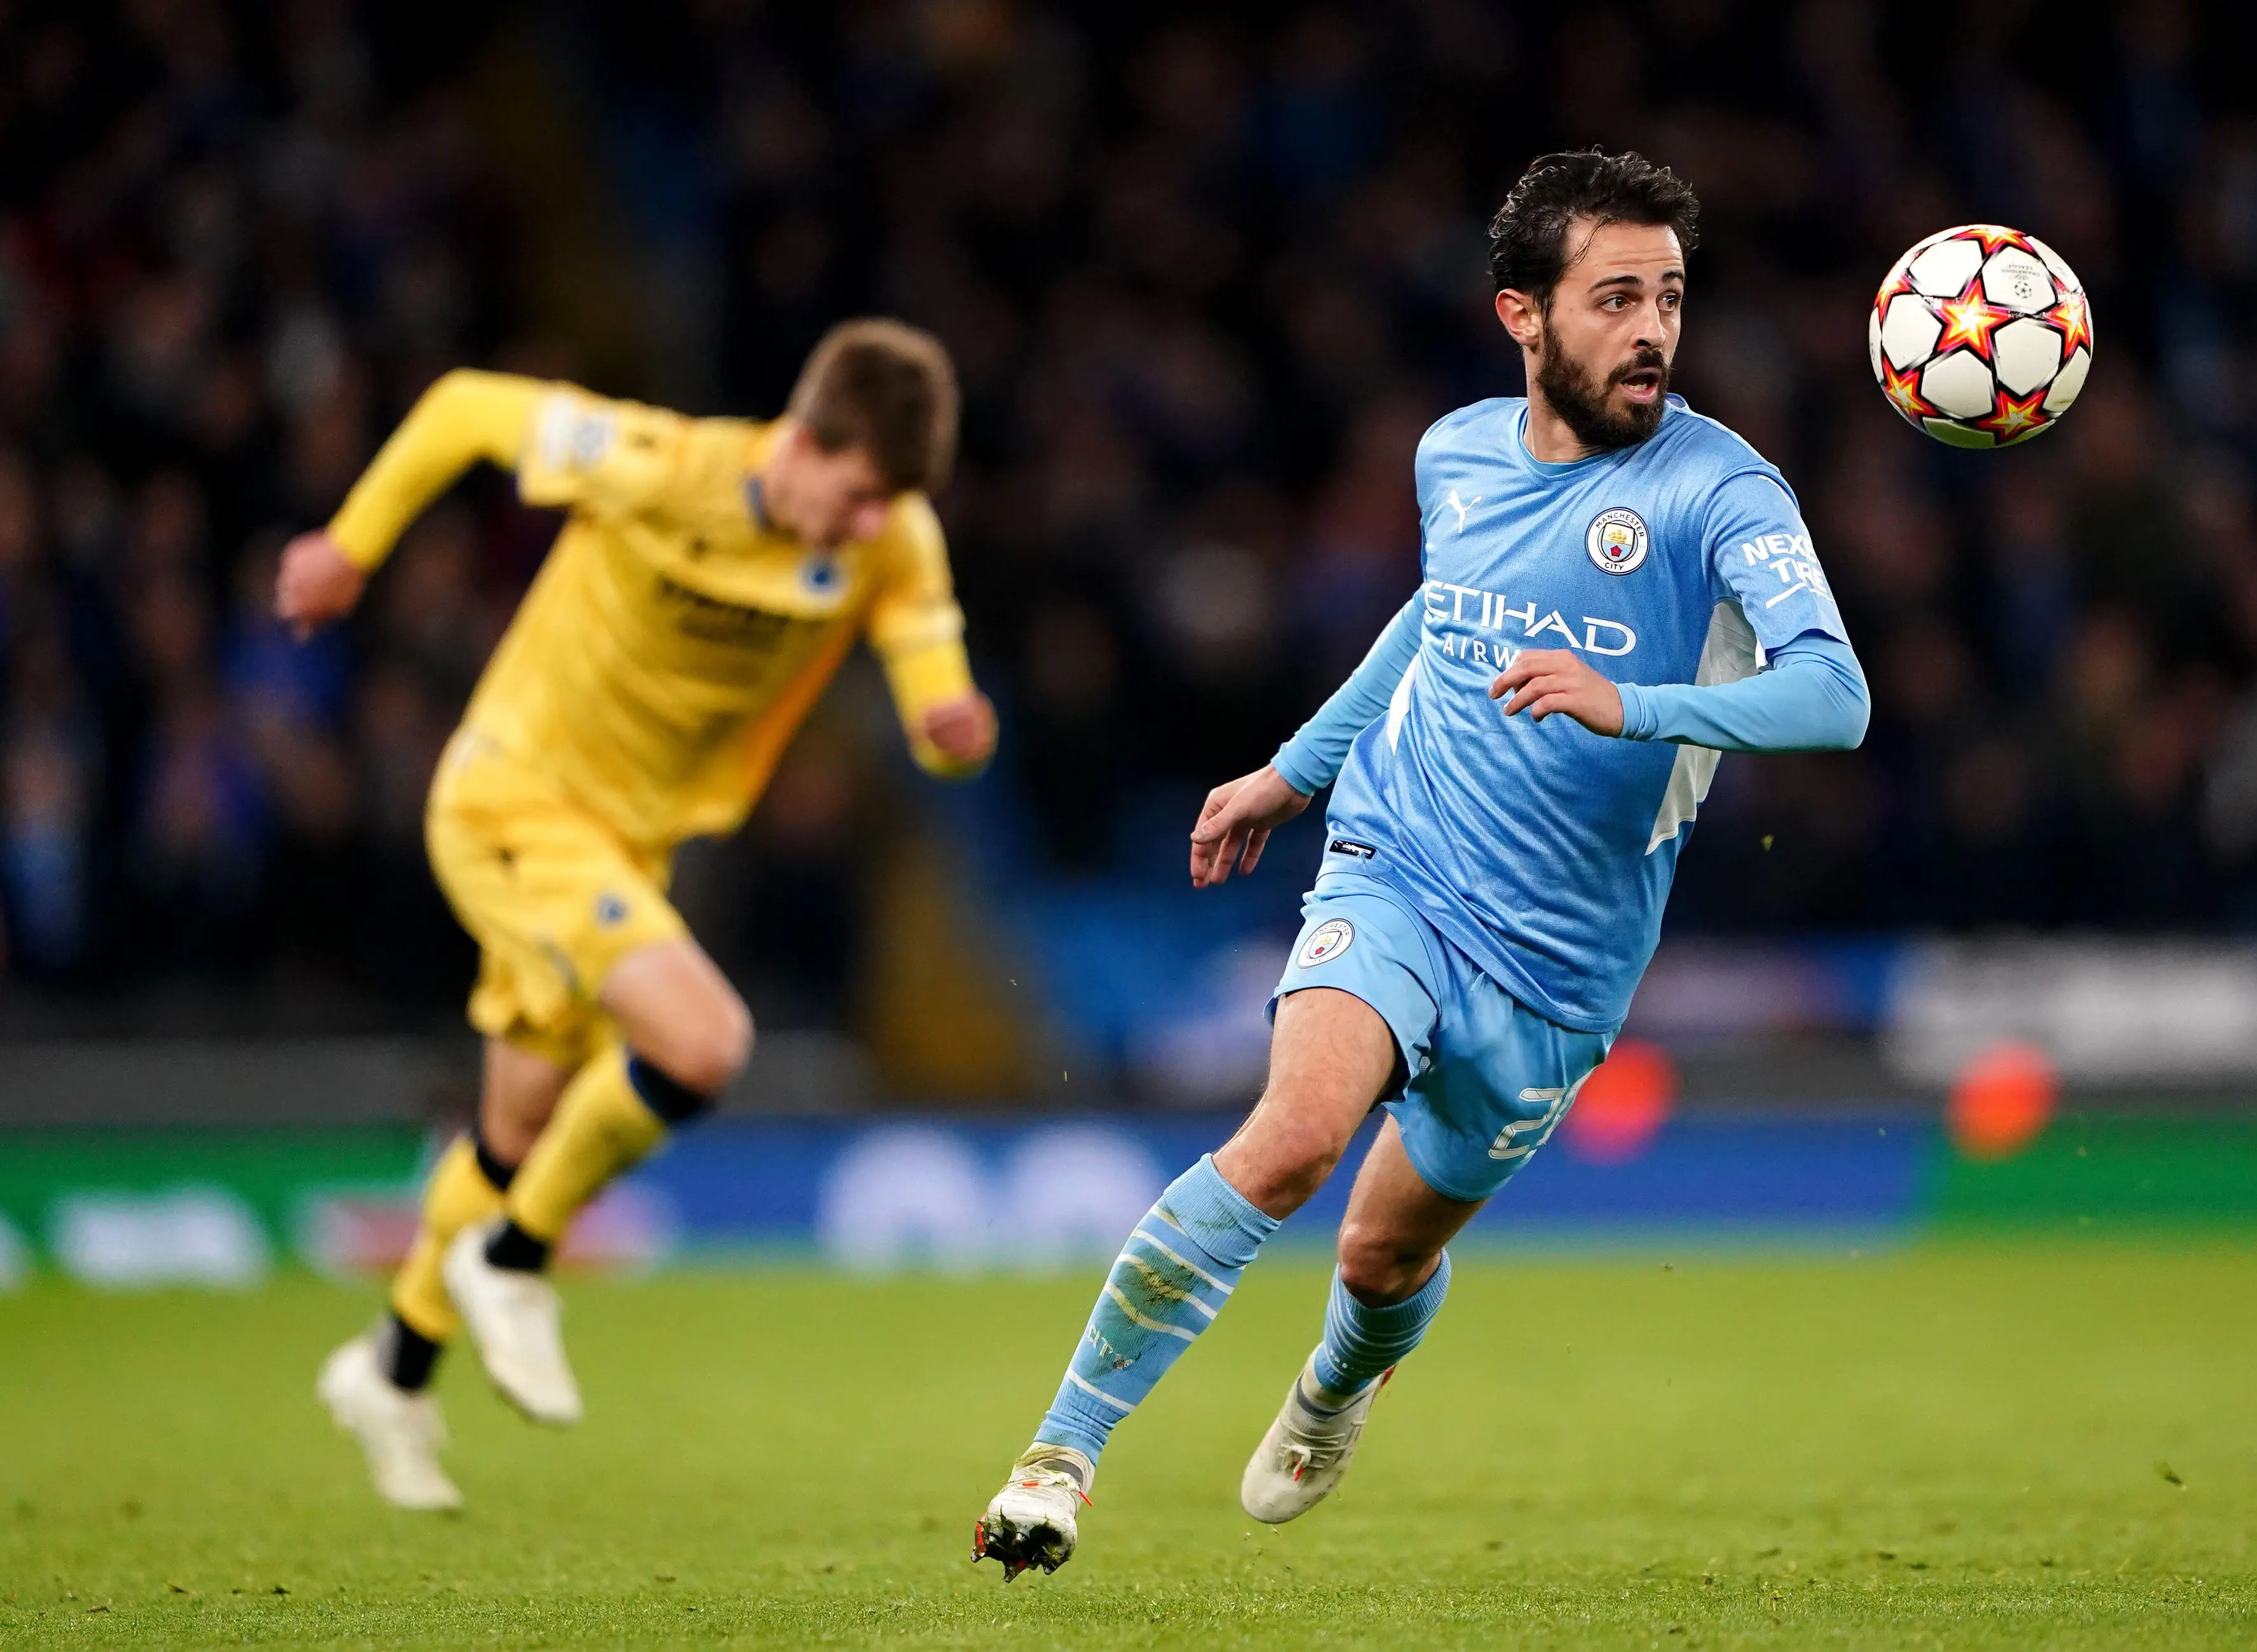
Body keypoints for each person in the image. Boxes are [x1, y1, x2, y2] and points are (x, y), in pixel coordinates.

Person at [973, 149, 1869, 1577]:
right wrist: (1293, 770)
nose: (1651, 331)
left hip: (1563, 967)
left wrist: (1626, 699)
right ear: (1523, 315)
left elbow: (1835, 697)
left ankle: (1337, 1384)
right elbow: (1434, 621)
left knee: (1381, 1258)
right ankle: (1058, 1459)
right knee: (1294, 1138)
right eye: (1616, 297)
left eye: (1672, 299)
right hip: (1400, 862)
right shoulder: (1453, 452)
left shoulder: (1722, 493)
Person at [292, 320, 997, 1511]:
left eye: (894, 503)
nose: (874, 522)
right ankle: (513, 1263)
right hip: (509, 797)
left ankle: (392, 1374)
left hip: (625, 849)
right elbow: (466, 402)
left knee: (512, 1138)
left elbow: (939, 695)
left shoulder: (893, 541)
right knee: (704, 1040)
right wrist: (351, 549)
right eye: (864, 493)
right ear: (806, 443)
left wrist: (952, 737)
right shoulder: (657, 462)